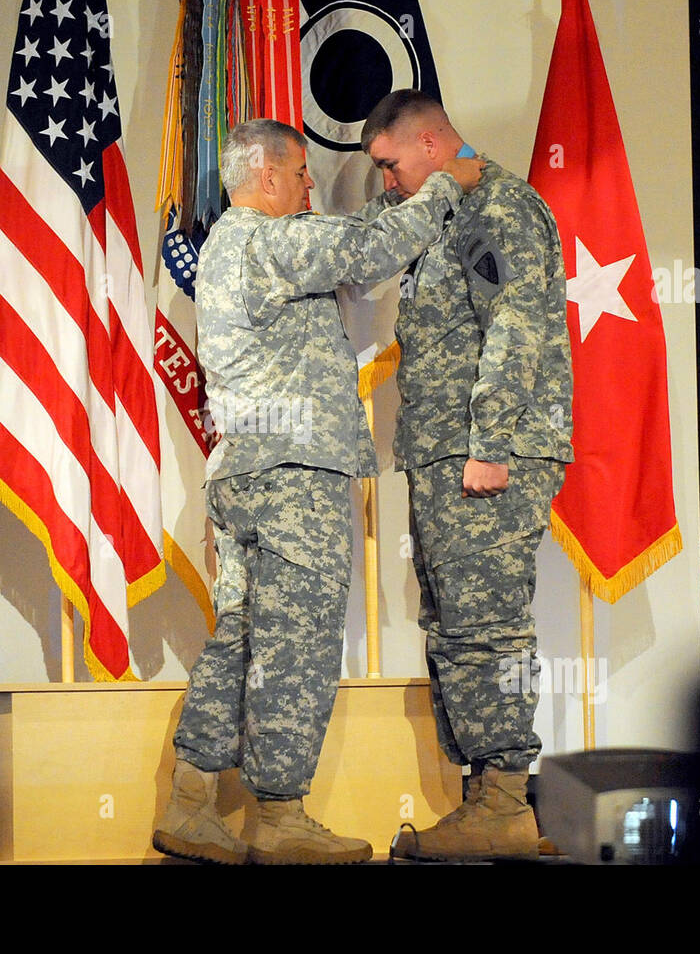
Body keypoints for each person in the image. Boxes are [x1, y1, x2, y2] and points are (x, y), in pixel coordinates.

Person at [151, 118, 484, 865]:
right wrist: (439, 186)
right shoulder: (265, 239)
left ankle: (191, 800)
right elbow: (365, 252)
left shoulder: (231, 250)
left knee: (238, 638)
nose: (310, 187)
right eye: (301, 174)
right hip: (296, 475)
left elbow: (346, 247)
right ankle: (279, 814)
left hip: (244, 475)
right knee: (296, 644)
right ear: (267, 178)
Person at [359, 89, 574, 862]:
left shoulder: (501, 208)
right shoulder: (442, 212)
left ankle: (507, 798)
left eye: (389, 164)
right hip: (445, 452)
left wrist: (490, 442)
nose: (386, 180)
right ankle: (483, 797)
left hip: (488, 453)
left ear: (427, 142)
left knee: (488, 624)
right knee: (452, 624)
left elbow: (516, 325)